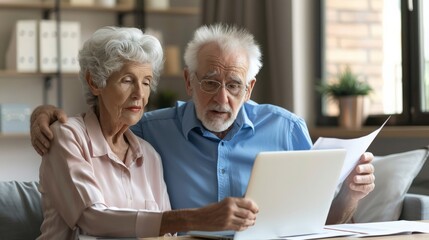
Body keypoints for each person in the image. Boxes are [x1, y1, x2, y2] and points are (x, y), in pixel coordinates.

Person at [31, 24, 375, 226]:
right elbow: (104, 122)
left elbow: (322, 221)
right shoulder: (152, 131)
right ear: (189, 81)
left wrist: (350, 193)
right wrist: (44, 114)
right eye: (210, 82)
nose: (222, 99)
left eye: (234, 85)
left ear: (250, 87)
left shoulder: (285, 129)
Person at [36, 26, 259, 239]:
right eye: (127, 80)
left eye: (146, 82)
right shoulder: (68, 137)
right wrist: (197, 218)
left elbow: (167, 236)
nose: (139, 94)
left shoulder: (148, 154)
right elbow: (92, 218)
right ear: (95, 82)